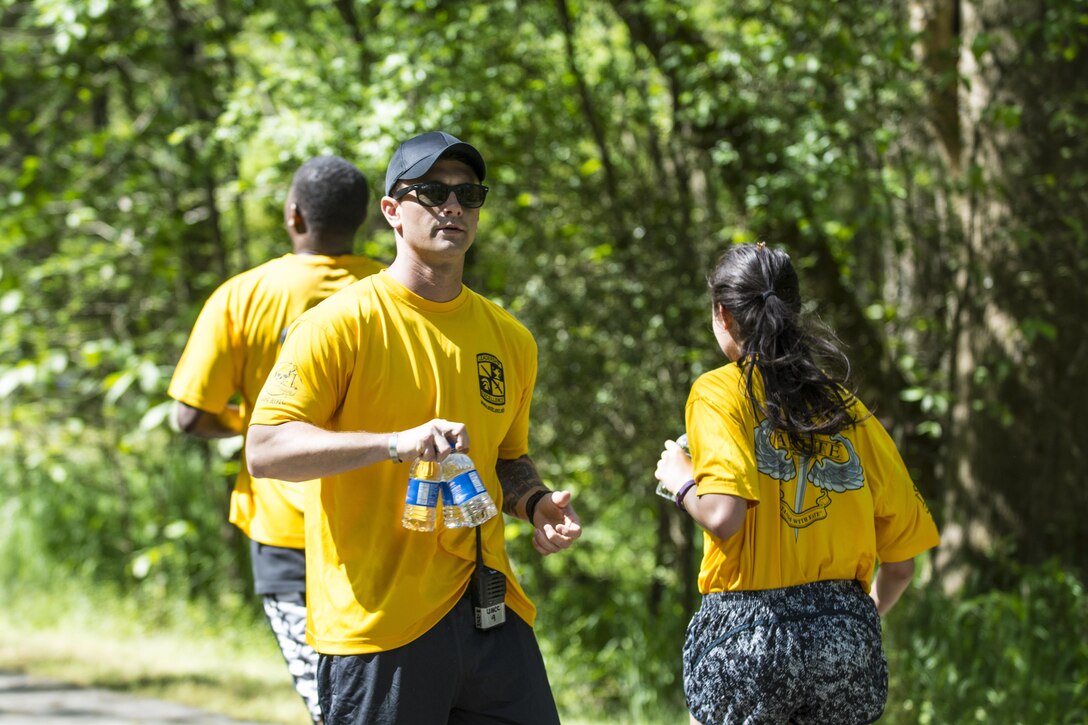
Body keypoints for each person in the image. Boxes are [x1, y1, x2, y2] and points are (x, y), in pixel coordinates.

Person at [245, 130, 582, 725]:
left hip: (488, 611)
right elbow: (266, 448)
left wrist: (535, 505)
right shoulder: (340, 323)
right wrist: (394, 444)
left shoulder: (510, 338)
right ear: (393, 212)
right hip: (379, 626)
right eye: (432, 192)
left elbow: (507, 457)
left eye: (468, 194)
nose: (453, 206)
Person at [654, 242, 940, 725]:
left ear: (722, 314)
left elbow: (724, 516)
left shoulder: (717, 392)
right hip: (846, 637)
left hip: (749, 638)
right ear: (793, 310)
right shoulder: (846, 407)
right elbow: (902, 565)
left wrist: (681, 482)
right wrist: (848, 620)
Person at [168, 155, 384, 725]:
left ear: (293, 215)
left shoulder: (242, 296)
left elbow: (190, 417)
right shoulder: (395, 294)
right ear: (366, 220)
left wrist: (265, 428)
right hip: (380, 527)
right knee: (382, 693)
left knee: (332, 703)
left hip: (286, 531)